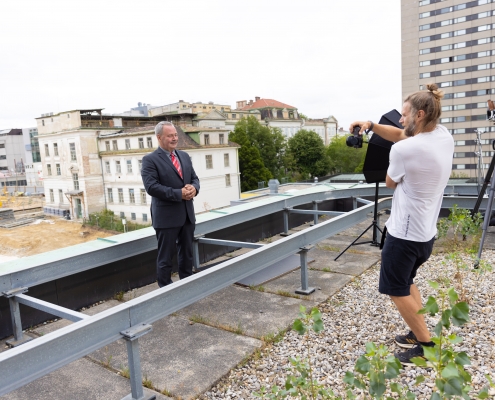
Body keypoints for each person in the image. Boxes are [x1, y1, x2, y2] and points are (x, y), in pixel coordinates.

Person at [350, 83, 454, 366]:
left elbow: (390, 182)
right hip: (425, 234)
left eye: (405, 114)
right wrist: (371, 125)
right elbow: (401, 135)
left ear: (419, 114)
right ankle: (415, 330)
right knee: (407, 282)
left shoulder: (404, 151)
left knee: (396, 289)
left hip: (404, 236)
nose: (400, 119)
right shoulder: (444, 136)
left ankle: (427, 346)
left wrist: (395, 148)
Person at [141, 121, 200, 287]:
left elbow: (194, 178)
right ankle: (166, 291)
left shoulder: (184, 156)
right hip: (166, 218)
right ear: (159, 137)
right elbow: (152, 187)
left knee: (187, 254)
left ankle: (186, 285)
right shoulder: (150, 160)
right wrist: (179, 194)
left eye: (176, 135)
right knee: (166, 257)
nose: (175, 138)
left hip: (187, 214)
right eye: (170, 136)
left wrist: (193, 188)